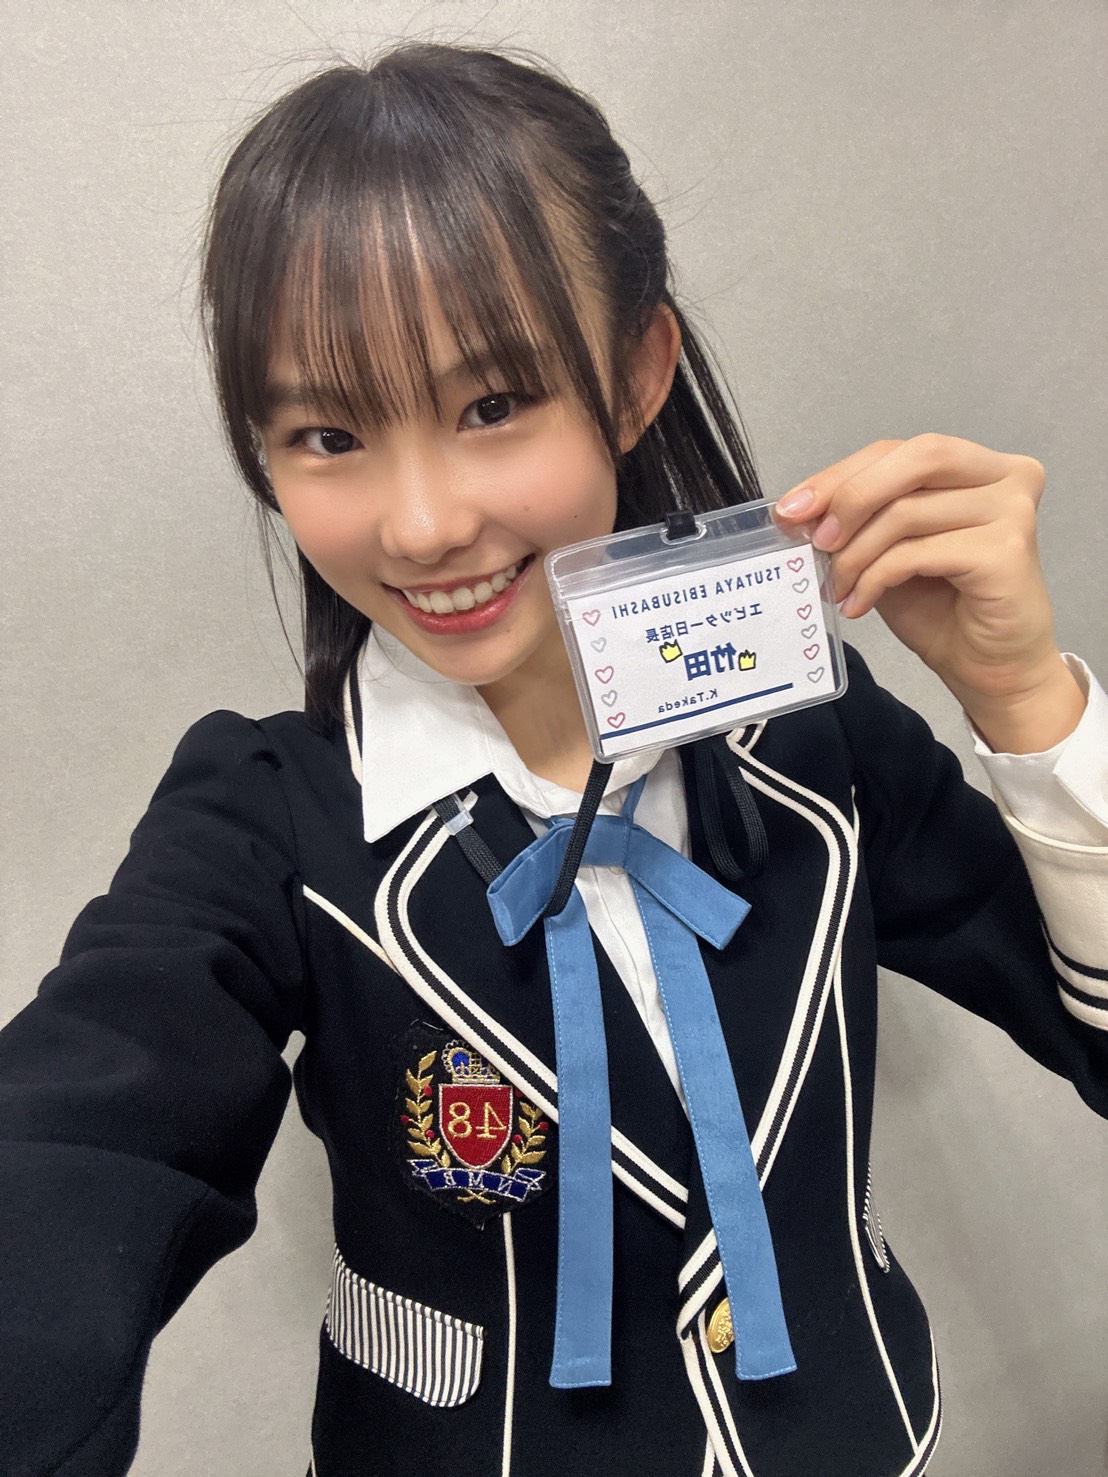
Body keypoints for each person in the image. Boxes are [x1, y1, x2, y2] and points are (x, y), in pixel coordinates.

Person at [1, 40, 1106, 1477]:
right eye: (328, 434)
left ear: (638, 375)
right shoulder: (266, 822)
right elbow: (78, 1136)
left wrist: (1027, 701)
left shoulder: (809, 731)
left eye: (492, 405)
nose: (420, 526)